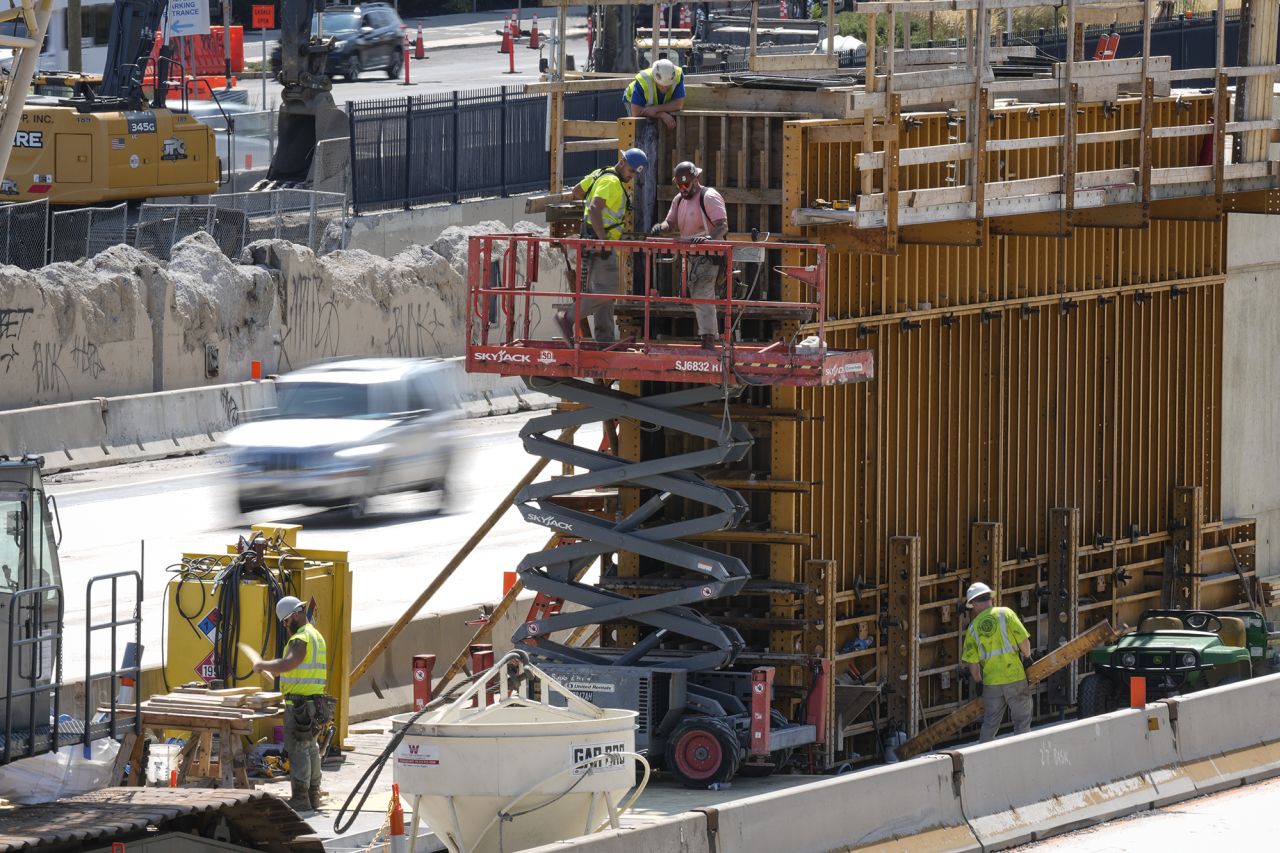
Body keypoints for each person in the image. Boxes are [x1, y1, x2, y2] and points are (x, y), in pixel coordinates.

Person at [554, 147, 649, 344]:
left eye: (635, 173)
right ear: (622, 162)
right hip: (600, 243)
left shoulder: (600, 173)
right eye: (631, 171)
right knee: (607, 291)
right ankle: (567, 318)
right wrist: (603, 240)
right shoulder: (611, 182)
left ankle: (604, 341)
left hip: (592, 240)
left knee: (603, 295)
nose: (632, 176)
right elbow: (596, 208)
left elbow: (577, 191)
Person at [253, 595, 329, 812]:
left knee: (298, 749)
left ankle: (301, 798)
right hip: (315, 704)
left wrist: (263, 665)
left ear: (295, 614)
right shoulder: (316, 636)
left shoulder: (301, 638)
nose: (285, 626)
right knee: (311, 749)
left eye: (286, 621)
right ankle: (313, 795)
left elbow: (289, 663)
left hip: (300, 706)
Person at [649, 161, 728, 349]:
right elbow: (671, 223)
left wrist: (708, 239)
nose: (683, 189)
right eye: (679, 185)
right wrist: (661, 227)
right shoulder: (679, 200)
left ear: (695, 180)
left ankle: (708, 338)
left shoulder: (709, 196)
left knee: (702, 292)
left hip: (711, 255)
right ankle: (707, 336)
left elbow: (722, 225)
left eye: (686, 184)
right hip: (691, 256)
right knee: (694, 293)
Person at [960, 581, 1034, 743]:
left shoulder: (973, 628)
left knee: (990, 723)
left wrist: (979, 682)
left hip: (992, 683)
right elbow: (1024, 642)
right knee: (1022, 721)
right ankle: (1022, 755)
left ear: (974, 603)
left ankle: (983, 758)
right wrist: (1027, 658)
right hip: (1014, 676)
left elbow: (973, 664)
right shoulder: (1005, 614)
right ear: (990, 599)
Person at [623, 58, 685, 129]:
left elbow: (678, 104)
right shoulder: (643, 80)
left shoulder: (678, 75)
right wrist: (661, 114)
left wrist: (656, 109)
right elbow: (636, 112)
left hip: (654, 105)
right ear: (654, 79)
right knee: (639, 129)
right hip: (632, 101)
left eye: (668, 86)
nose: (665, 88)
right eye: (661, 86)